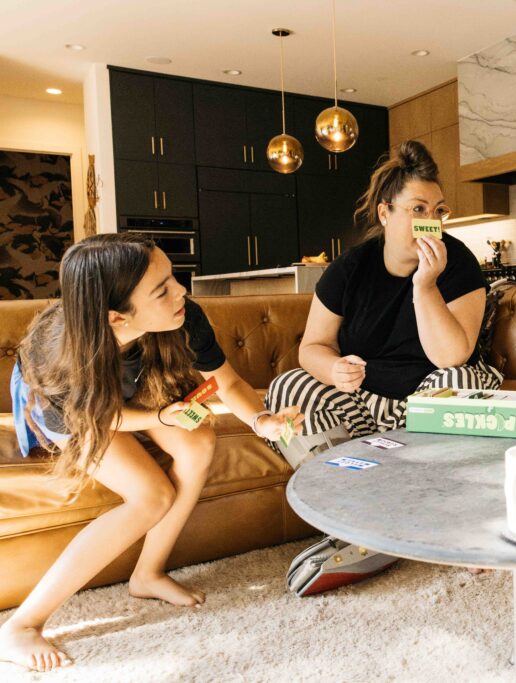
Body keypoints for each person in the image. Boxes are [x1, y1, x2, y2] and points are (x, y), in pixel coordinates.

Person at [0, 233, 302, 672]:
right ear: (116, 316)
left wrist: (262, 421)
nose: (181, 291)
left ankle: (148, 574)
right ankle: (22, 625)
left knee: (199, 442)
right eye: (162, 290)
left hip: (133, 389)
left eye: (173, 278)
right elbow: (95, 417)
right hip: (72, 410)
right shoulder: (57, 353)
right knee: (150, 495)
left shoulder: (183, 316)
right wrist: (159, 418)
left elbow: (228, 382)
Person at [266, 139, 502, 464]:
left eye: (438, 211)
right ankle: (338, 481)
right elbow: (312, 347)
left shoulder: (458, 261)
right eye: (418, 209)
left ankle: (424, 480)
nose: (431, 221)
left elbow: (452, 357)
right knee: (289, 386)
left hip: (428, 395)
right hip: (360, 399)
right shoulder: (350, 268)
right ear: (384, 213)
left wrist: (425, 286)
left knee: (459, 382)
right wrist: (334, 369)